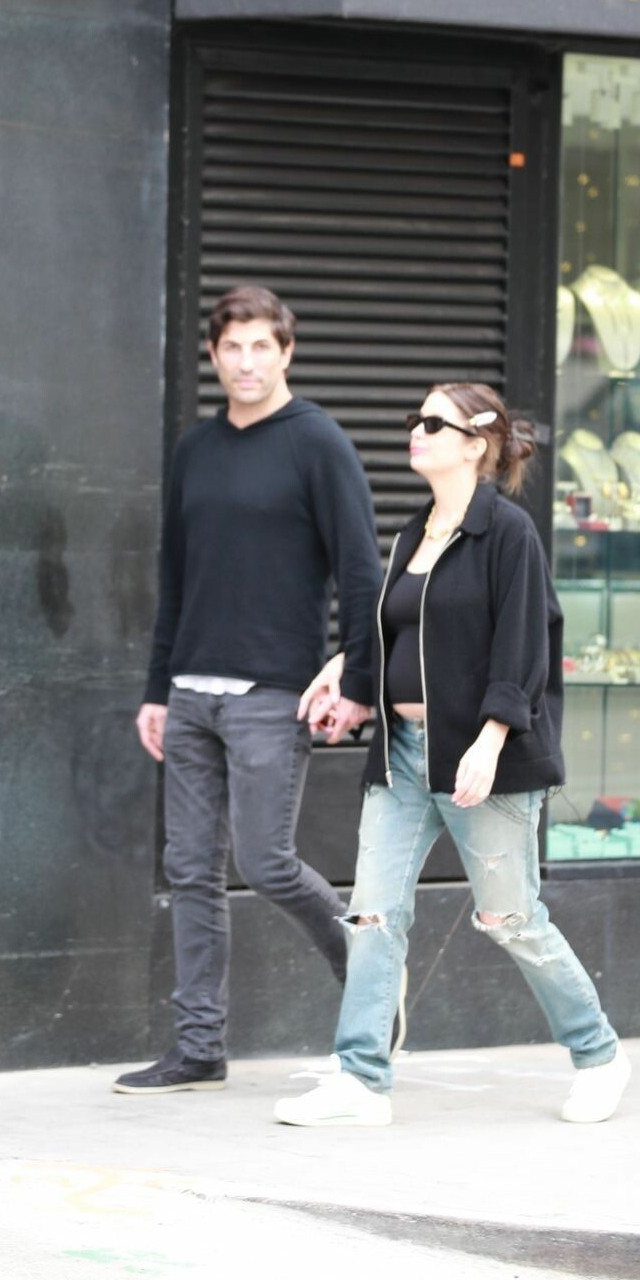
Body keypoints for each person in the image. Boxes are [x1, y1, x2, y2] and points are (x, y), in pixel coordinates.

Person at [274, 382, 630, 1128]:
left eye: (435, 423)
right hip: (403, 757)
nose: (417, 430)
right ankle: (361, 1079)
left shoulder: (507, 533)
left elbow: (524, 647)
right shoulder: (415, 531)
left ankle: (599, 1055)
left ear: (476, 444)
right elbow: (400, 632)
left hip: (482, 760)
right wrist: (350, 680)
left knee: (511, 918)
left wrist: (492, 740)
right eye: (416, 419)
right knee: (372, 916)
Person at [116, 285, 381, 1094]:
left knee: (265, 862)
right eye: (232, 346)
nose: (246, 361)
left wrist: (359, 681)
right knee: (191, 871)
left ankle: (372, 980)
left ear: (286, 352)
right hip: (190, 693)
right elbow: (177, 575)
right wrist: (158, 688)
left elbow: (360, 569)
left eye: (262, 345)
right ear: (213, 355)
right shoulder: (196, 450)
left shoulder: (316, 442)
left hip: (274, 693)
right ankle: (199, 1048)